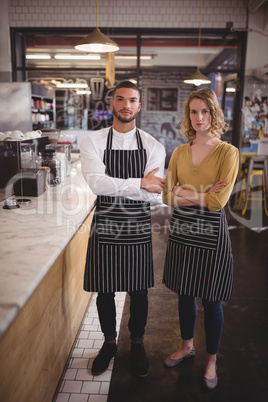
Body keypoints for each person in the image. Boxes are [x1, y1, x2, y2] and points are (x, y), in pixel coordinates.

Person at [80, 81, 166, 378]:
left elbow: (153, 195)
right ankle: (109, 342)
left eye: (132, 100)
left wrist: (116, 183)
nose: (126, 105)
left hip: (137, 225)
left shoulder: (154, 146)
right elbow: (96, 183)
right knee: (104, 291)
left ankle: (138, 343)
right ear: (112, 104)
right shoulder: (92, 141)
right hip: (105, 224)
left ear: (139, 106)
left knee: (139, 291)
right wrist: (140, 182)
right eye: (120, 99)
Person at [162, 88, 239, 390]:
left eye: (204, 111)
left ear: (214, 113)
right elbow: (167, 196)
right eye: (193, 112)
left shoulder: (227, 152)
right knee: (184, 293)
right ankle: (186, 346)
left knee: (211, 299)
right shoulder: (180, 151)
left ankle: (211, 359)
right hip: (182, 228)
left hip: (211, 230)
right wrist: (200, 195)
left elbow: (218, 203)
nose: (198, 117)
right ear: (188, 115)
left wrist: (184, 191)